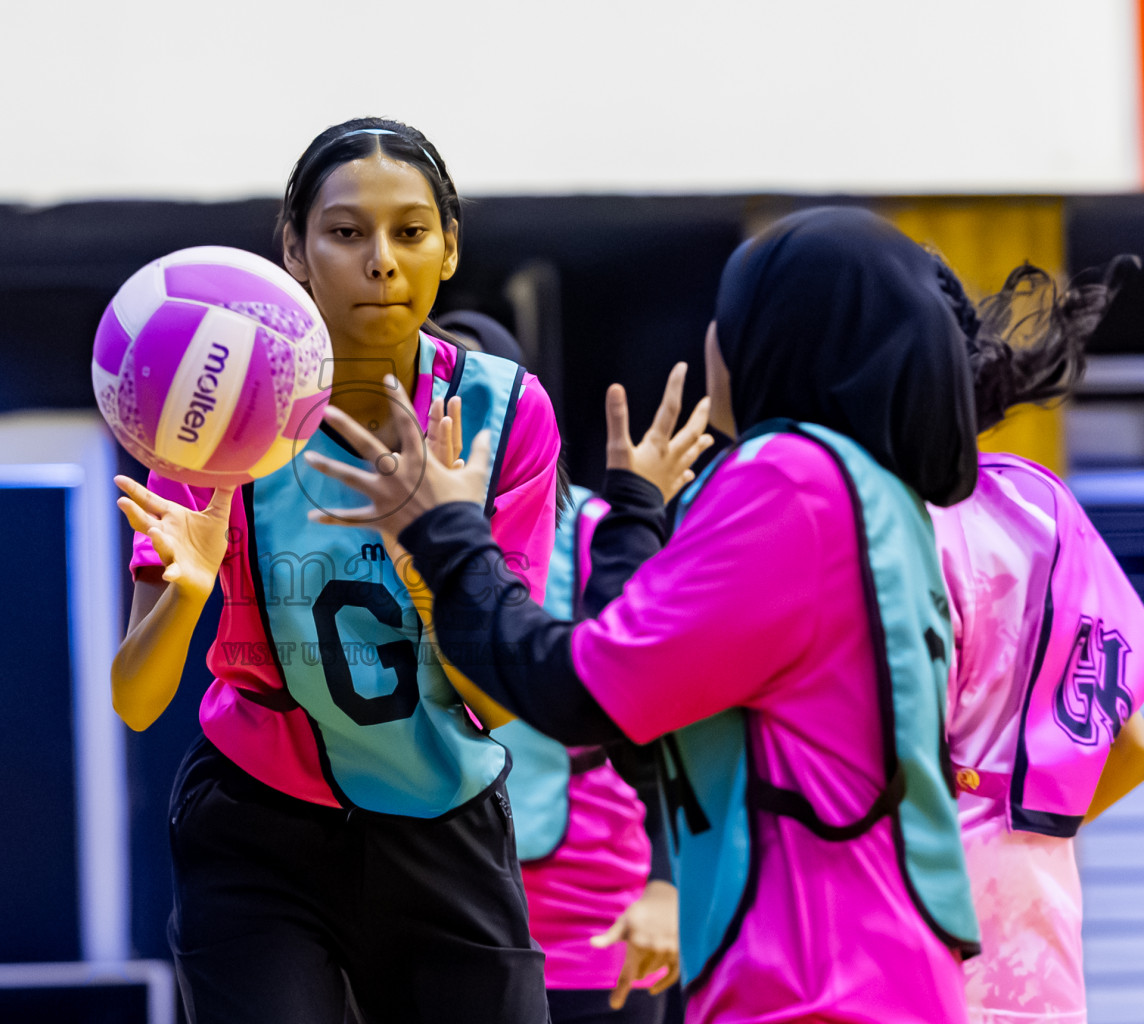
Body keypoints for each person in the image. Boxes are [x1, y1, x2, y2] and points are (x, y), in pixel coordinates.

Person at [305, 207, 987, 1024]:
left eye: (724, 320)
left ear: (774, 336)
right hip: (863, 975)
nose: (710, 343)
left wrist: (446, 533)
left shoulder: (789, 481)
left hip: (819, 986)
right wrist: (634, 512)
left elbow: (574, 693)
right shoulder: (866, 491)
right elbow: (632, 710)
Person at [110, 117, 569, 1024]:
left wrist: (435, 557)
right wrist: (187, 597)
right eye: (347, 232)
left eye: (411, 231)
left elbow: (506, 696)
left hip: (445, 813)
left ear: (448, 250)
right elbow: (134, 698)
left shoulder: (507, 411)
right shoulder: (210, 410)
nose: (382, 261)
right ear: (295, 248)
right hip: (259, 824)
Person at [437, 310, 692, 1024]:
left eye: (480, 396)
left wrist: (666, 887)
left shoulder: (601, 532)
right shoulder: (359, 539)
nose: (452, 417)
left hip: (596, 915)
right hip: (432, 908)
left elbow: (664, 718)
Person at [929, 255, 1144, 1024]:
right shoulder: (1040, 504)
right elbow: (1133, 742)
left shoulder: (869, 520)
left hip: (893, 927)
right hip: (1031, 927)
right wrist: (1023, 818)